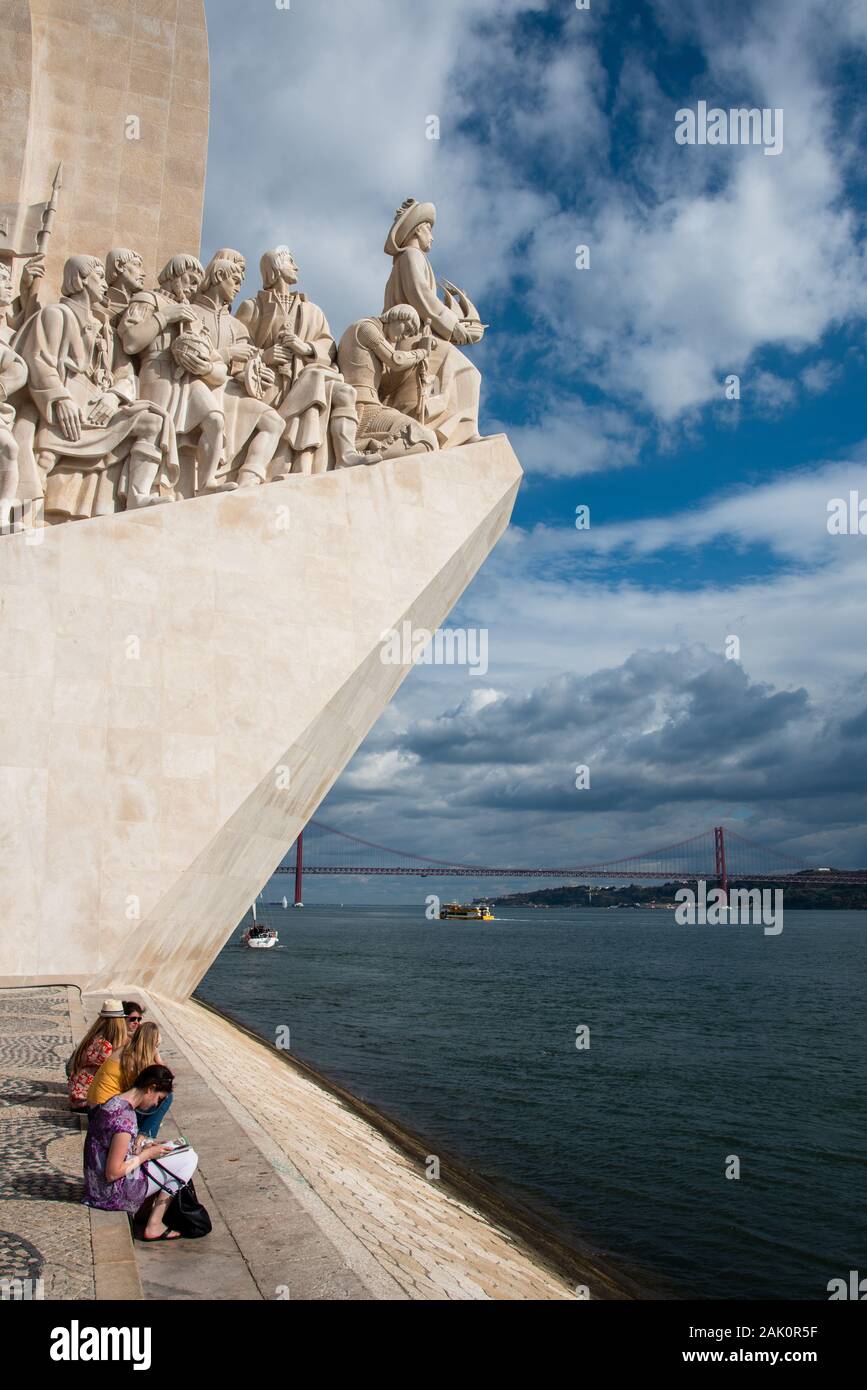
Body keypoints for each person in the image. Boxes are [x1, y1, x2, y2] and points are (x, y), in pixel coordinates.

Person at [82, 1064, 198, 1242]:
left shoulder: (114, 1103)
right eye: (158, 1098)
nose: (155, 1104)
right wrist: (146, 1155)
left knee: (173, 1153)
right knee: (189, 1158)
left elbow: (112, 1147)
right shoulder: (125, 1120)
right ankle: (155, 1224)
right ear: (150, 1088)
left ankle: (145, 1212)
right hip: (110, 1194)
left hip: (95, 1186)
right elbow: (112, 1172)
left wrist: (144, 1146)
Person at [336, 305, 437, 458]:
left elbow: (387, 384)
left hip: (370, 405)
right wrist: (422, 352)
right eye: (407, 328)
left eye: (410, 333)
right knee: (425, 439)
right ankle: (365, 455)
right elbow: (396, 360)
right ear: (396, 316)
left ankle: (366, 450)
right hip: (362, 408)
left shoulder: (375, 342)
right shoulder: (366, 328)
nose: (405, 336)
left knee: (426, 440)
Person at [87, 1021, 173, 1138]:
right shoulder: (136, 1059)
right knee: (166, 1096)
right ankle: (143, 1137)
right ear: (152, 1044)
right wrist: (157, 1055)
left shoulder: (125, 1050)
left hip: (95, 1110)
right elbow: (165, 1080)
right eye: (155, 1045)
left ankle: (144, 1133)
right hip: (105, 1113)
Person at [66, 1000, 128, 1113]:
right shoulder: (104, 1047)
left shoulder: (94, 1038)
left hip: (77, 1097)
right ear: (119, 1022)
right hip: (87, 1102)